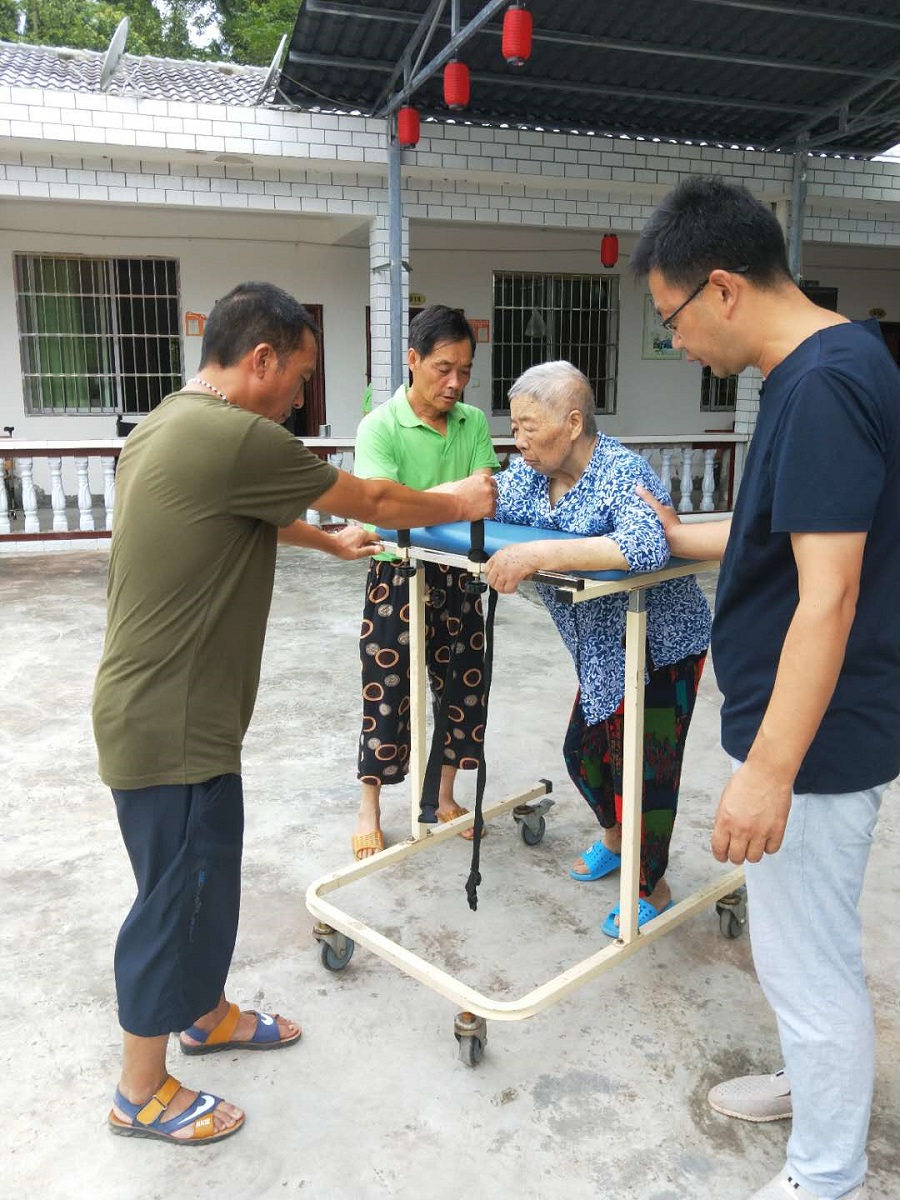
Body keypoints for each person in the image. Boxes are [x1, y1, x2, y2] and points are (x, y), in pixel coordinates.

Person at [93, 282, 495, 1147]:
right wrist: (458, 503)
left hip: (160, 711)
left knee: (204, 884)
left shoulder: (166, 424)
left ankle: (205, 1014)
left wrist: (325, 541)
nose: (301, 400)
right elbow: (378, 500)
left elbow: (249, 516)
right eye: (300, 379)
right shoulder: (232, 434)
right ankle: (140, 1091)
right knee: (172, 902)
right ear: (262, 360)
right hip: (175, 724)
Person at [632, 176, 900, 1200]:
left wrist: (768, 771)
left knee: (812, 960)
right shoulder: (826, 364)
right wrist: (680, 533)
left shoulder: (825, 385)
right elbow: (782, 543)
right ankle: (813, 1088)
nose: (678, 344)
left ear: (724, 287)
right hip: (815, 728)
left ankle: (825, 1176)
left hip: (818, 744)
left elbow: (827, 598)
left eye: (672, 321)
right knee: (799, 951)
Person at [483, 361, 711, 933]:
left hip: (663, 645)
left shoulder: (622, 471)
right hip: (604, 650)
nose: (520, 439)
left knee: (646, 772)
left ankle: (650, 885)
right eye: (515, 425)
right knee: (585, 755)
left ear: (573, 421)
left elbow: (644, 544)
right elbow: (487, 499)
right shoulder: (530, 474)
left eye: (530, 426)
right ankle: (615, 838)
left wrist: (538, 555)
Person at [352, 306, 500, 859]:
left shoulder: (473, 421)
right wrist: (453, 498)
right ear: (412, 360)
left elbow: (484, 493)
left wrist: (432, 502)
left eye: (464, 370)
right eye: (443, 368)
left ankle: (443, 796)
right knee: (386, 694)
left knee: (463, 688)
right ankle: (370, 804)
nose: (455, 383)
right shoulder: (381, 427)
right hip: (397, 576)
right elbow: (380, 511)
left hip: (461, 576)